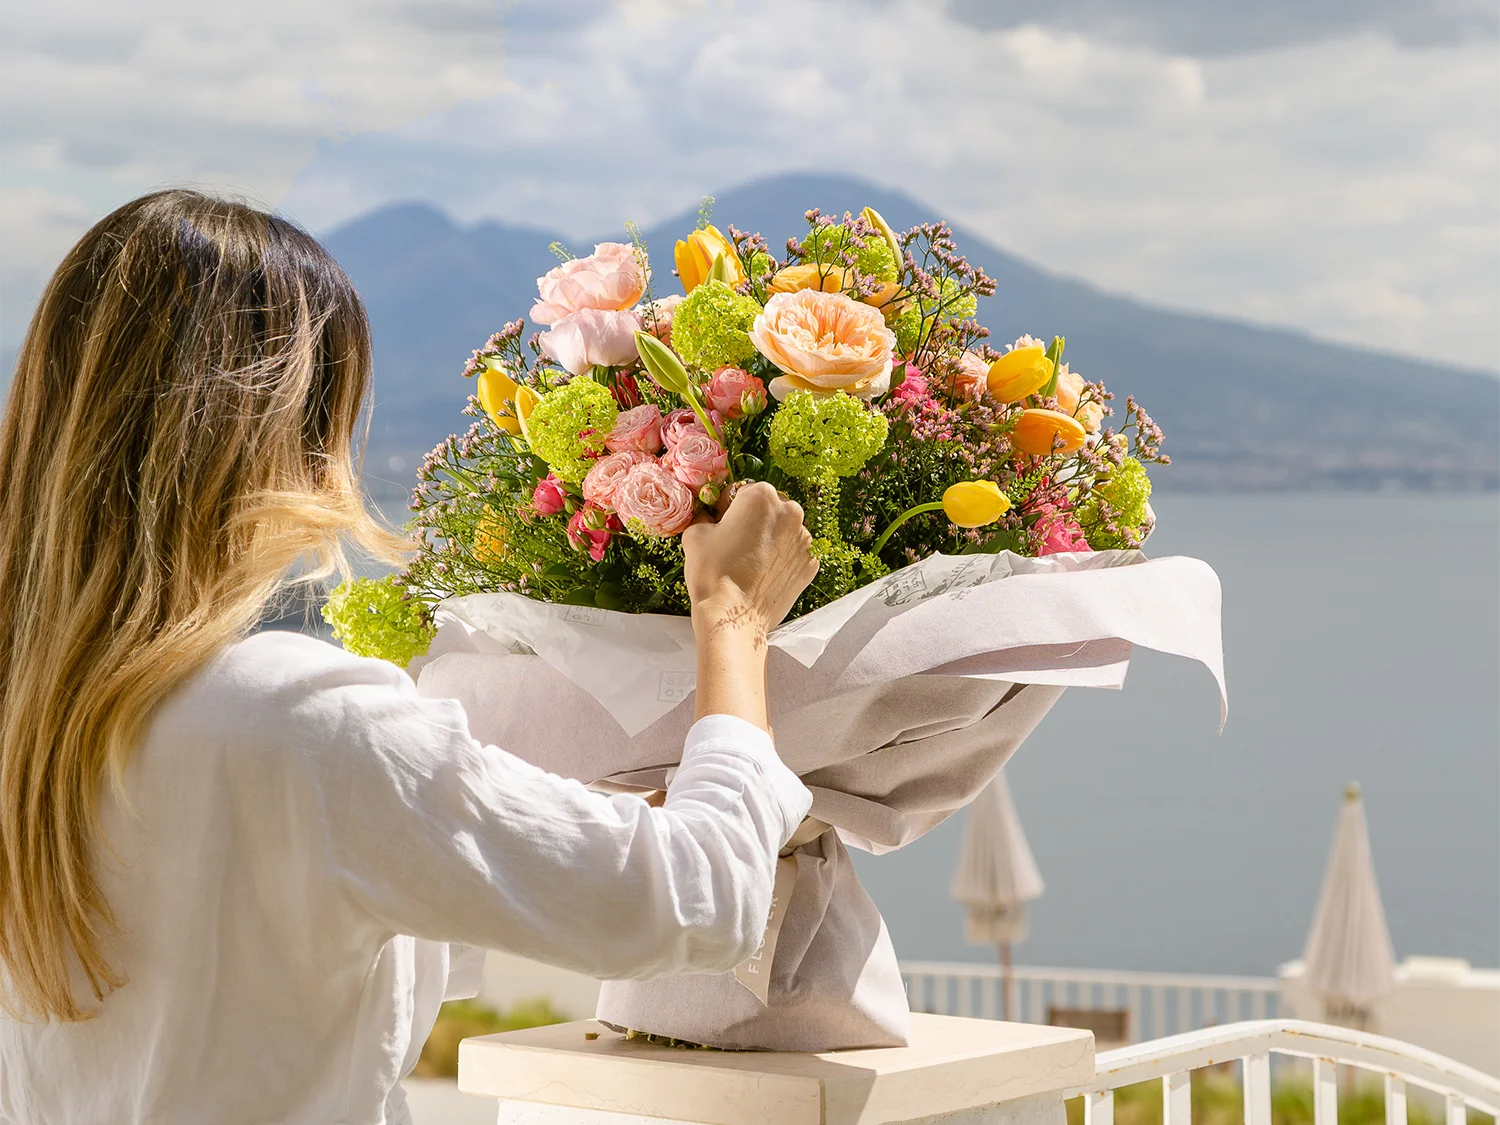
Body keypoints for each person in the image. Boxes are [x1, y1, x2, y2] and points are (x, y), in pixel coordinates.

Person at [0, 191, 818, 1125]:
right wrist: (735, 618)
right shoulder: (300, 719)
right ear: (276, 432)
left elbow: (337, 902)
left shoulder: (41, 725)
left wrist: (570, 815)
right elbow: (704, 896)